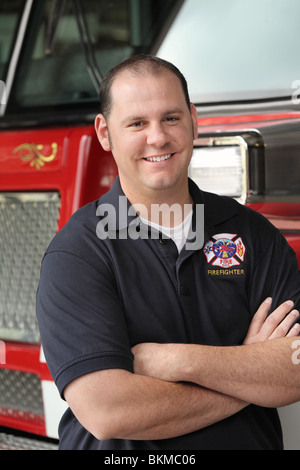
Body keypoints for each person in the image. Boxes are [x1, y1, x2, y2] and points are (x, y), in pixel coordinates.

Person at [36, 55, 300, 450]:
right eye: (137, 123)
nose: (158, 138)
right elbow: (109, 412)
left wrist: (177, 360)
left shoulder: (254, 235)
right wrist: (248, 373)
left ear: (194, 120)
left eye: (171, 118)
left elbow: (294, 371)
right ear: (105, 133)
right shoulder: (77, 255)